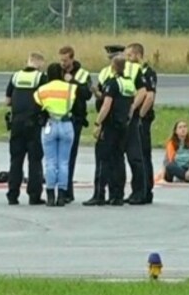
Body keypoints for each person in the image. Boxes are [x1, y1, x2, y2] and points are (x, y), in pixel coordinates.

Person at [87, 55, 145, 206]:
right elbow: (129, 104)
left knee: (102, 159)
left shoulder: (112, 83)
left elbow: (107, 105)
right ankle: (117, 195)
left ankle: (99, 194)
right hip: (123, 127)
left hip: (110, 126)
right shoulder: (128, 84)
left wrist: (98, 123)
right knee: (118, 160)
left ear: (113, 66)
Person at [5, 52, 48, 205]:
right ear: (40, 64)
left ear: (28, 61)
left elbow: (8, 101)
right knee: (35, 160)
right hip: (33, 124)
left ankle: (12, 194)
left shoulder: (15, 76)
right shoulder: (41, 78)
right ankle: (34, 195)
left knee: (16, 160)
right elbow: (45, 100)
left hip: (16, 123)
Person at [34, 63, 77, 207]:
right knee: (64, 162)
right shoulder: (70, 88)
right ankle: (62, 196)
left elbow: (37, 103)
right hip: (66, 124)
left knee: (50, 162)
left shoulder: (42, 90)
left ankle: (50, 195)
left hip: (50, 124)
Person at [58, 45, 92, 204]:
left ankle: (66, 191)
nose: (63, 63)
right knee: (59, 157)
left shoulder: (83, 74)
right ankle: (62, 190)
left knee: (69, 156)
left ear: (72, 58)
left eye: (65, 60)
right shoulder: (56, 72)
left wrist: (74, 82)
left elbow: (87, 94)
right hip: (58, 117)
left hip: (75, 119)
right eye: (61, 60)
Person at [127, 42, 158, 203]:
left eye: (130, 55)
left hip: (142, 119)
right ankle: (137, 189)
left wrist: (140, 116)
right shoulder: (132, 72)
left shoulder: (147, 72)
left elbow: (150, 96)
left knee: (142, 155)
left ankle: (145, 191)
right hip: (135, 119)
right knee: (137, 155)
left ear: (138, 55)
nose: (127, 59)